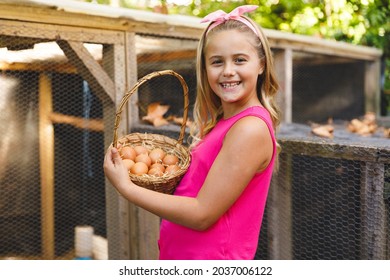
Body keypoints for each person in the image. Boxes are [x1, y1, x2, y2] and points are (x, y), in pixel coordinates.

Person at [104, 5, 280, 260]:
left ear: (261, 65)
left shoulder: (249, 129)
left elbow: (202, 214)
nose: (228, 70)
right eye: (217, 62)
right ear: (205, 68)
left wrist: (126, 187)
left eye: (240, 59)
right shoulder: (226, 123)